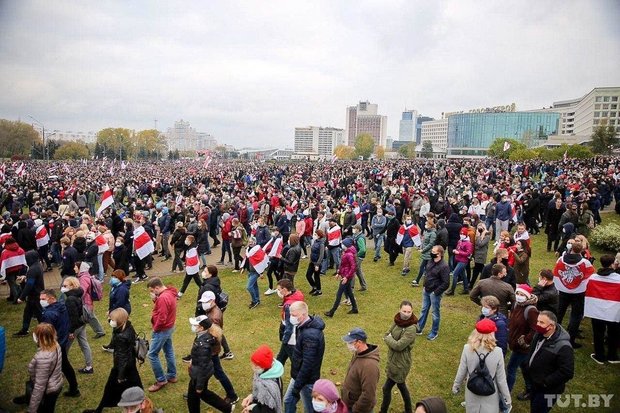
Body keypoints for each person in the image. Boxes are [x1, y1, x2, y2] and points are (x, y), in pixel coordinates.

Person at [83, 308, 143, 413]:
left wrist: (120, 376)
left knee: (111, 389)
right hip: (130, 365)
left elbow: (122, 358)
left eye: (112, 319)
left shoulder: (121, 337)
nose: (110, 321)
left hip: (122, 368)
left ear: (119, 321)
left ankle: (99, 409)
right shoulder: (127, 326)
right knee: (134, 389)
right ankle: (100, 409)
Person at [452, 319, 512, 413]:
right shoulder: (498, 352)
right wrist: (507, 398)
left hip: (472, 390)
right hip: (490, 392)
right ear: (492, 333)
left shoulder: (467, 349)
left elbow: (462, 370)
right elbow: (501, 380)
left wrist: (456, 386)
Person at [524, 311, 574, 413]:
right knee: (534, 408)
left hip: (548, 390)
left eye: (541, 322)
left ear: (551, 326)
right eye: (538, 321)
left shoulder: (563, 347)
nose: (538, 324)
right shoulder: (539, 334)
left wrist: (545, 382)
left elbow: (567, 372)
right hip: (535, 383)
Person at [283, 301, 325, 413]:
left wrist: (297, 386)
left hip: (306, 380)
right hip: (299, 375)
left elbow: (308, 364)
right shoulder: (302, 326)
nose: (291, 318)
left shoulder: (310, 336)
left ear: (303, 314)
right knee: (288, 401)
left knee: (309, 409)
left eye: (294, 315)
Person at [186, 316, 235, 413]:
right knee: (197, 395)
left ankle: (227, 408)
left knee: (197, 395)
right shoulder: (204, 336)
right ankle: (227, 408)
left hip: (199, 374)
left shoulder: (203, 345)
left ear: (201, 328)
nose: (192, 326)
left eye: (195, 325)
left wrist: (199, 386)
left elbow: (202, 367)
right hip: (200, 371)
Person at [11, 323, 63, 412]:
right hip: (56, 384)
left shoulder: (43, 357)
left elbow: (39, 387)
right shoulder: (56, 344)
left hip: (49, 390)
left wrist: (32, 410)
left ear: (41, 339)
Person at [552, 240, 595, 348]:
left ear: (571, 248)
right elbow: (590, 276)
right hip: (579, 292)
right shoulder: (585, 263)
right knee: (576, 316)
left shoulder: (561, 259)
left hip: (563, 291)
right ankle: (571, 340)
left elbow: (556, 273)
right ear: (581, 250)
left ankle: (553, 335)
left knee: (559, 313)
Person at [40, 288, 80, 397]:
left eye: (43, 299)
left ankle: (37, 393)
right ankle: (74, 388)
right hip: (62, 341)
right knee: (65, 365)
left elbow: (46, 332)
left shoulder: (48, 314)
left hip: (53, 344)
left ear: (52, 298)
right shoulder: (62, 306)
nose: (41, 301)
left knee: (43, 368)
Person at [380, 301, 417, 413]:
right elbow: (386, 334)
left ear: (412, 311)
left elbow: (398, 346)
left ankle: (383, 411)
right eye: (404, 311)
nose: (406, 314)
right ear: (399, 310)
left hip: (401, 363)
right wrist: (390, 339)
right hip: (393, 360)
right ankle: (408, 411)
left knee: (388, 388)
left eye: (409, 312)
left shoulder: (411, 328)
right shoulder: (397, 320)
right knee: (401, 386)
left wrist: (389, 339)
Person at [584, 254, 620, 364]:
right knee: (613, 333)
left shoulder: (593, 278)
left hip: (597, 310)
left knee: (598, 333)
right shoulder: (618, 279)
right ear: (612, 264)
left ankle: (599, 356)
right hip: (614, 311)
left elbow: (587, 290)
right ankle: (612, 356)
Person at [506, 284, 538, 401]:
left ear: (528, 296)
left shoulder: (531, 310)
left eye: (522, 294)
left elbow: (535, 329)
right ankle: (530, 388)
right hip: (514, 342)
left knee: (511, 368)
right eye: (517, 293)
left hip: (522, 347)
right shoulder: (516, 304)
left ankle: (505, 394)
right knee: (524, 366)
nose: (519, 296)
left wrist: (525, 340)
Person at [146, 277, 178, 392]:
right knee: (169, 351)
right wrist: (156, 300)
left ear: (157, 288)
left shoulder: (163, 298)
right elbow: (165, 308)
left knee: (152, 354)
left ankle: (161, 380)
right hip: (169, 327)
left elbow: (162, 317)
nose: (152, 293)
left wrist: (156, 329)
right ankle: (172, 375)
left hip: (162, 330)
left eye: (152, 290)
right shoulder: (169, 293)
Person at [341, 327, 380, 413]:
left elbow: (368, 395)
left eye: (350, 342)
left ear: (359, 342)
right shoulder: (358, 353)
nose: (348, 345)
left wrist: (356, 409)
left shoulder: (370, 366)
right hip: (350, 404)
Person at [415, 245, 450, 341]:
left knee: (435, 313)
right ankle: (419, 328)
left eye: (434, 252)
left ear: (439, 254)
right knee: (424, 309)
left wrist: (436, 292)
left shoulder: (444, 266)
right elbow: (427, 273)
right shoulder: (430, 261)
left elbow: (446, 283)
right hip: (426, 290)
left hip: (435, 293)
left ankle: (434, 332)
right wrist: (424, 285)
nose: (431, 253)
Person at [62, 276, 94, 374]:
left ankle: (62, 369)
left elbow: (73, 317)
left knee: (64, 349)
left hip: (75, 326)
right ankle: (89, 366)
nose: (63, 287)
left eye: (65, 286)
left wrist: (71, 331)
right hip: (81, 324)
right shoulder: (78, 294)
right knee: (84, 344)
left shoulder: (70, 299)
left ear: (72, 286)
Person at [240, 345, 284, 413]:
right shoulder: (271, 372)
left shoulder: (266, 387)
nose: (253, 366)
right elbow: (261, 395)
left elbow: (268, 410)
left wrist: (252, 408)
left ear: (263, 366)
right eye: (253, 363)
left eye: (256, 365)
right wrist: (252, 396)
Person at [324, 237, 358, 317]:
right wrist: (339, 273)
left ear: (347, 245)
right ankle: (355, 308)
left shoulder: (349, 254)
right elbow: (343, 265)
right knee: (349, 292)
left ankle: (332, 312)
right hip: (345, 275)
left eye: (343, 244)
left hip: (346, 277)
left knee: (339, 294)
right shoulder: (346, 252)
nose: (341, 245)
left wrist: (346, 277)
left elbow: (353, 267)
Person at [14, 250, 44, 337]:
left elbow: (29, 284)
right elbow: (33, 279)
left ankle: (45, 331)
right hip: (37, 294)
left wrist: (21, 297)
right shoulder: (38, 265)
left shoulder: (32, 269)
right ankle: (25, 329)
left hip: (35, 296)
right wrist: (25, 277)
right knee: (28, 313)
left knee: (39, 315)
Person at [275, 279, 305, 366]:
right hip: (295, 333)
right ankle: (275, 371)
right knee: (280, 357)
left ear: (284, 289)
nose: (278, 291)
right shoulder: (297, 295)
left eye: (279, 289)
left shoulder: (289, 306)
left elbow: (289, 326)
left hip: (291, 338)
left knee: (295, 362)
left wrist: (285, 340)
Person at [446, 228, 473, 295]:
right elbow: (458, 248)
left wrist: (459, 252)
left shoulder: (468, 243)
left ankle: (452, 290)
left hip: (463, 261)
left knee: (455, 274)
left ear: (466, 235)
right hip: (458, 260)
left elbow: (468, 253)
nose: (461, 235)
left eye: (463, 234)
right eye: (460, 234)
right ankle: (466, 289)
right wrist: (455, 250)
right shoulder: (460, 241)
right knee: (463, 275)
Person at [412, 219, 437, 286]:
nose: (425, 225)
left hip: (429, 253)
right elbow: (423, 241)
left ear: (430, 225)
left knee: (428, 269)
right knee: (422, 267)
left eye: (426, 224)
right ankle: (417, 281)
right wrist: (421, 247)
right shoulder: (426, 232)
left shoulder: (433, 234)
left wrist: (423, 250)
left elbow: (431, 244)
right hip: (425, 253)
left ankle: (428, 282)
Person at [305, 229, 326, 296]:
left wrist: (317, 264)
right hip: (312, 261)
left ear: (319, 235)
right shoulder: (315, 241)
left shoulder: (321, 244)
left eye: (315, 234)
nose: (314, 235)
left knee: (316, 277)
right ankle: (314, 287)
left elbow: (321, 255)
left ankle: (319, 291)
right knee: (308, 275)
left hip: (317, 263)